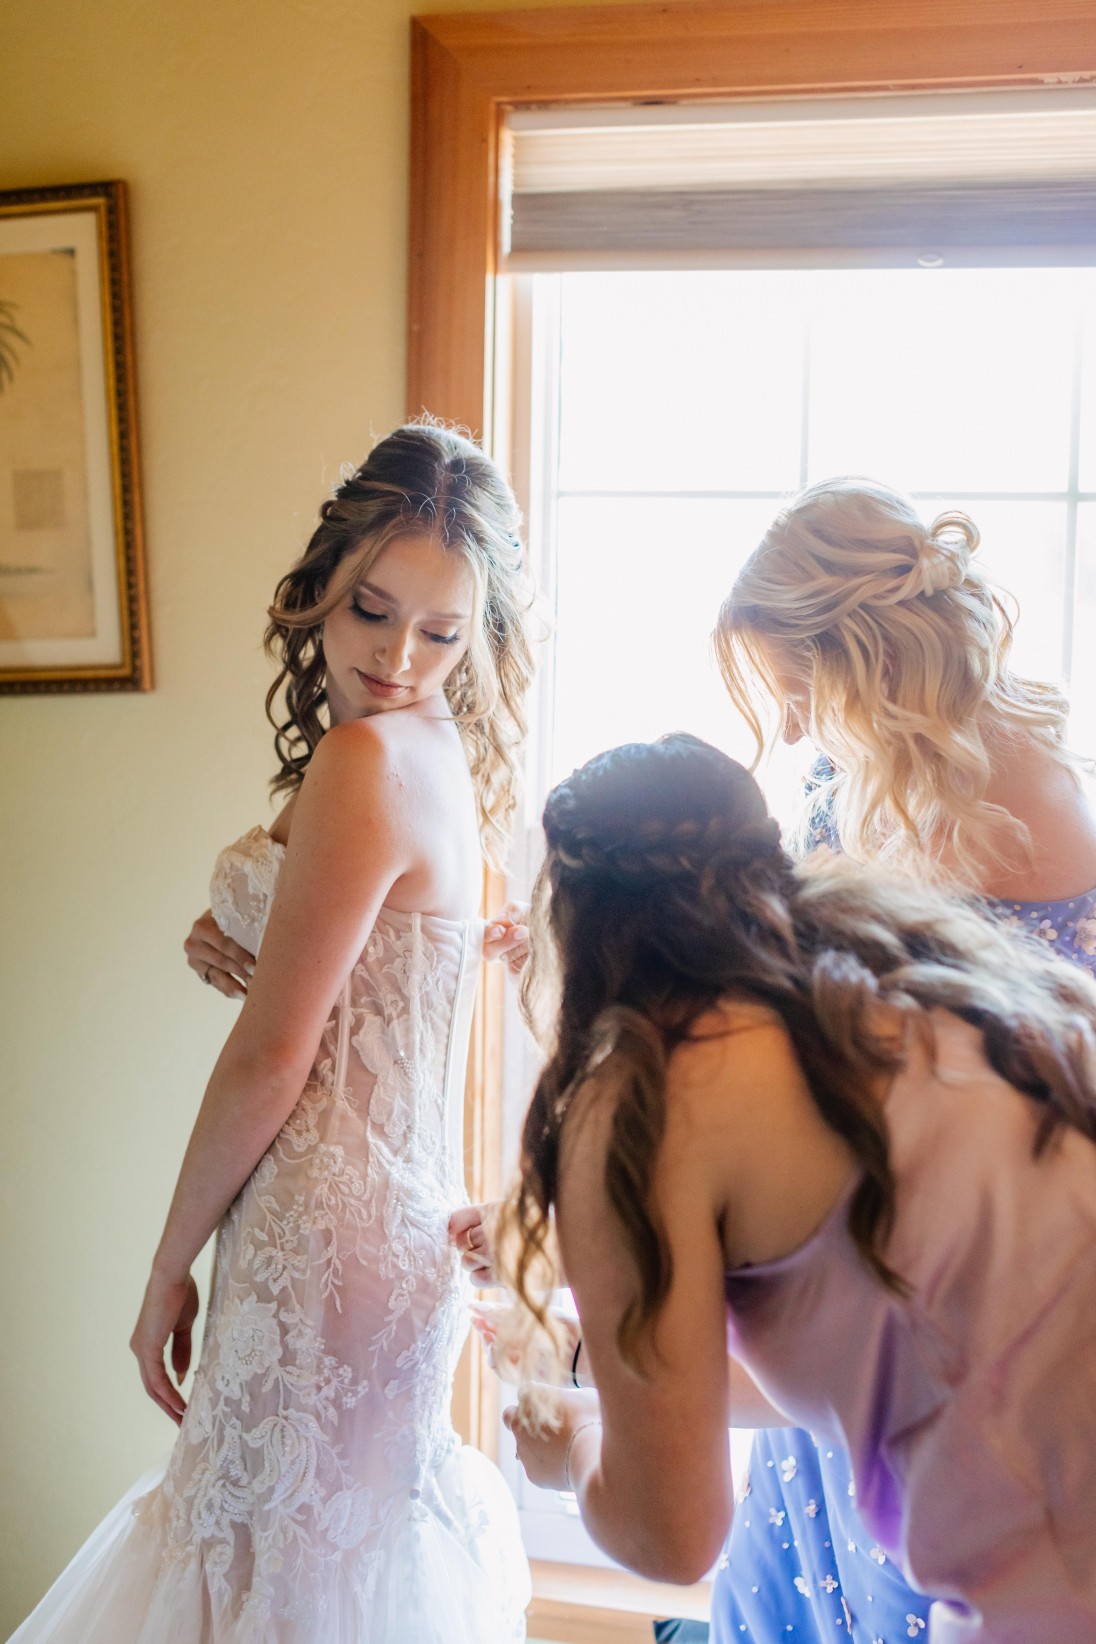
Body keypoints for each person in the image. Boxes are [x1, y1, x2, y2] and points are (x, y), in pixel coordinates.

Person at [9, 422, 536, 1644]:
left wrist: (160, 1273)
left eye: (442, 633)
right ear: (321, 587)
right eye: (371, 612)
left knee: (265, 1580)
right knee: (319, 1582)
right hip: (393, 1227)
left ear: (480, 634)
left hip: (316, 1225)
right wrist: (236, 924)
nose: (400, 657)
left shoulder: (364, 757)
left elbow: (273, 1057)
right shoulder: (443, 757)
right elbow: (376, 964)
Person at [498, 731, 1096, 1644]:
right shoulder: (895, 975)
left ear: (574, 920)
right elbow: (893, 1352)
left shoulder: (642, 1096)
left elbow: (675, 1539)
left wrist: (571, 1446)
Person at [707, 477, 1096, 1642]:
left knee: (903, 1567)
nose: (784, 726)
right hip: (863, 1209)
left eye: (793, 689)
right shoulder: (849, 775)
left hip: (962, 1246)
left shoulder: (1017, 798)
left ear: (861, 656)